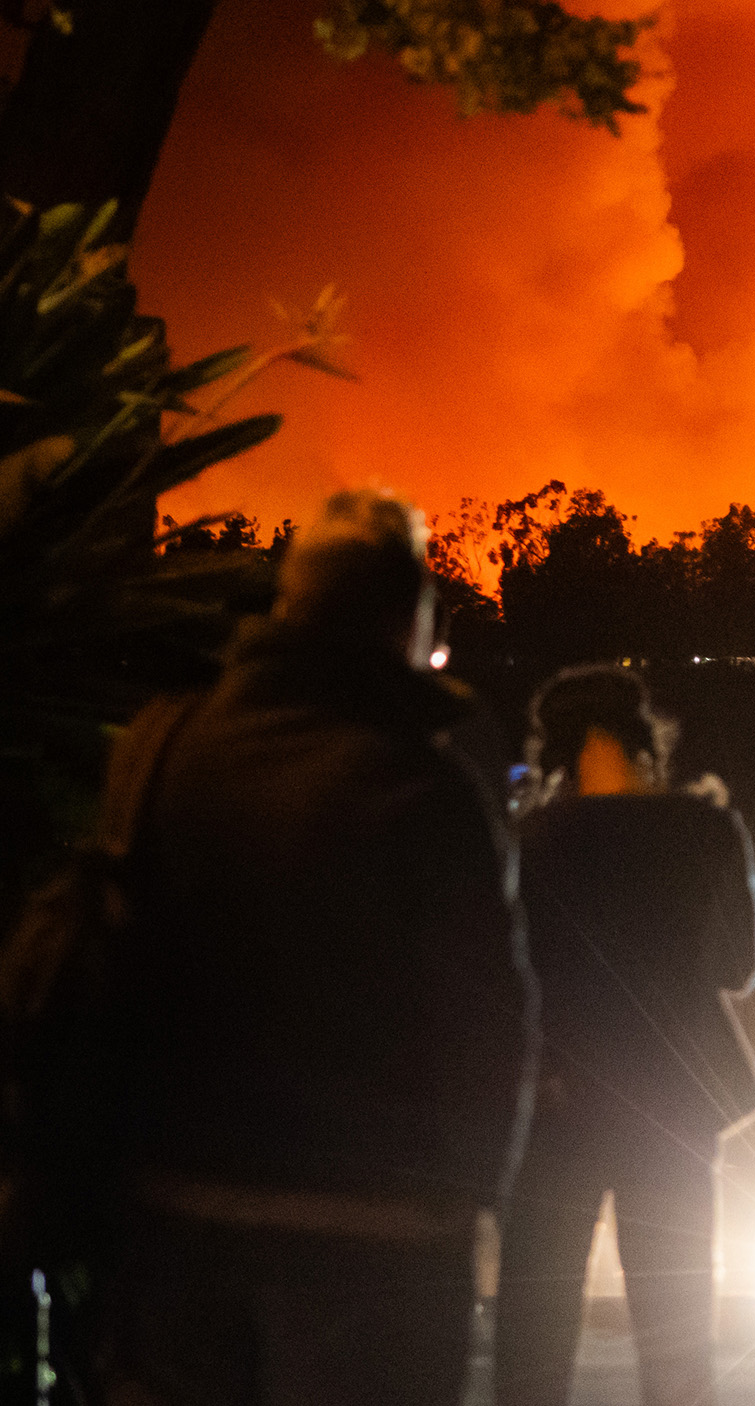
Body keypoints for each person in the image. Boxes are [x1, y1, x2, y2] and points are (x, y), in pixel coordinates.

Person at [95, 489, 535, 1406]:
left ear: (288, 606)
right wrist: (474, 1197)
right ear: (407, 617)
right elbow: (487, 1016)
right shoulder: (424, 786)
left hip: (179, 1227)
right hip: (375, 1244)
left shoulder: (165, 747)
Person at [492, 666, 755, 1406]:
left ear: (559, 750)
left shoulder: (528, 840)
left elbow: (502, 976)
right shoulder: (708, 831)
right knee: (677, 1330)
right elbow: (740, 967)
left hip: (558, 1098)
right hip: (673, 1098)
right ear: (645, 740)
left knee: (535, 1326)